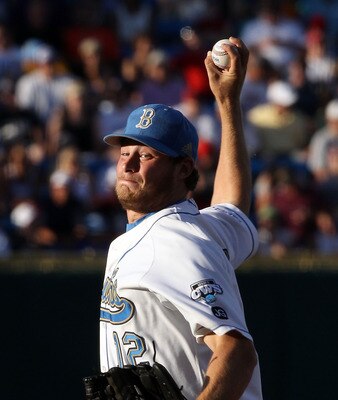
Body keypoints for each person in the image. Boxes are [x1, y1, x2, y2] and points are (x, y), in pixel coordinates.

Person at [99, 37, 262, 399]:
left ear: (183, 168)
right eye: (124, 151)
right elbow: (232, 206)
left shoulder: (173, 239)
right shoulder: (198, 227)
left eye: (146, 155)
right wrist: (227, 102)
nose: (127, 162)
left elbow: (236, 353)